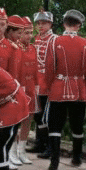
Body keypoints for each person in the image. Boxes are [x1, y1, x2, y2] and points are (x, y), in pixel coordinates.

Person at [44, 10, 86, 170]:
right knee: (77, 124)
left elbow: (49, 67)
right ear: (78, 25)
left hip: (58, 86)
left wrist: (50, 85)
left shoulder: (55, 41)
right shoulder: (85, 43)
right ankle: (77, 158)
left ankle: (54, 162)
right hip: (78, 88)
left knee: (55, 125)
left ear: (64, 23)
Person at [26, 9, 56, 157]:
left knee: (47, 116)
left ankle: (50, 148)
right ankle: (40, 143)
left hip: (48, 84)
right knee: (37, 114)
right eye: (38, 23)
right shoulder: (36, 39)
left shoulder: (54, 39)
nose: (40, 26)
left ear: (50, 24)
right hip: (36, 82)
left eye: (43, 23)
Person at [15, 16, 38, 165]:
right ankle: (12, 150)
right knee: (16, 119)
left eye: (31, 32)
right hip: (18, 87)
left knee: (28, 119)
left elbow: (35, 69)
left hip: (30, 87)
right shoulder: (15, 47)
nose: (29, 36)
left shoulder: (33, 48)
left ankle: (21, 150)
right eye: (26, 32)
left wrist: (36, 87)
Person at [5, 16, 25, 169]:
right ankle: (6, 155)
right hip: (7, 89)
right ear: (10, 31)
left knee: (14, 123)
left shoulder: (16, 46)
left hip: (17, 87)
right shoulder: (7, 46)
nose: (20, 36)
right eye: (18, 33)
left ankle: (11, 153)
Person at [0, 8, 19, 80]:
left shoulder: (11, 47)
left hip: (2, 86)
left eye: (2, 24)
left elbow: (12, 75)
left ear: (7, 25)